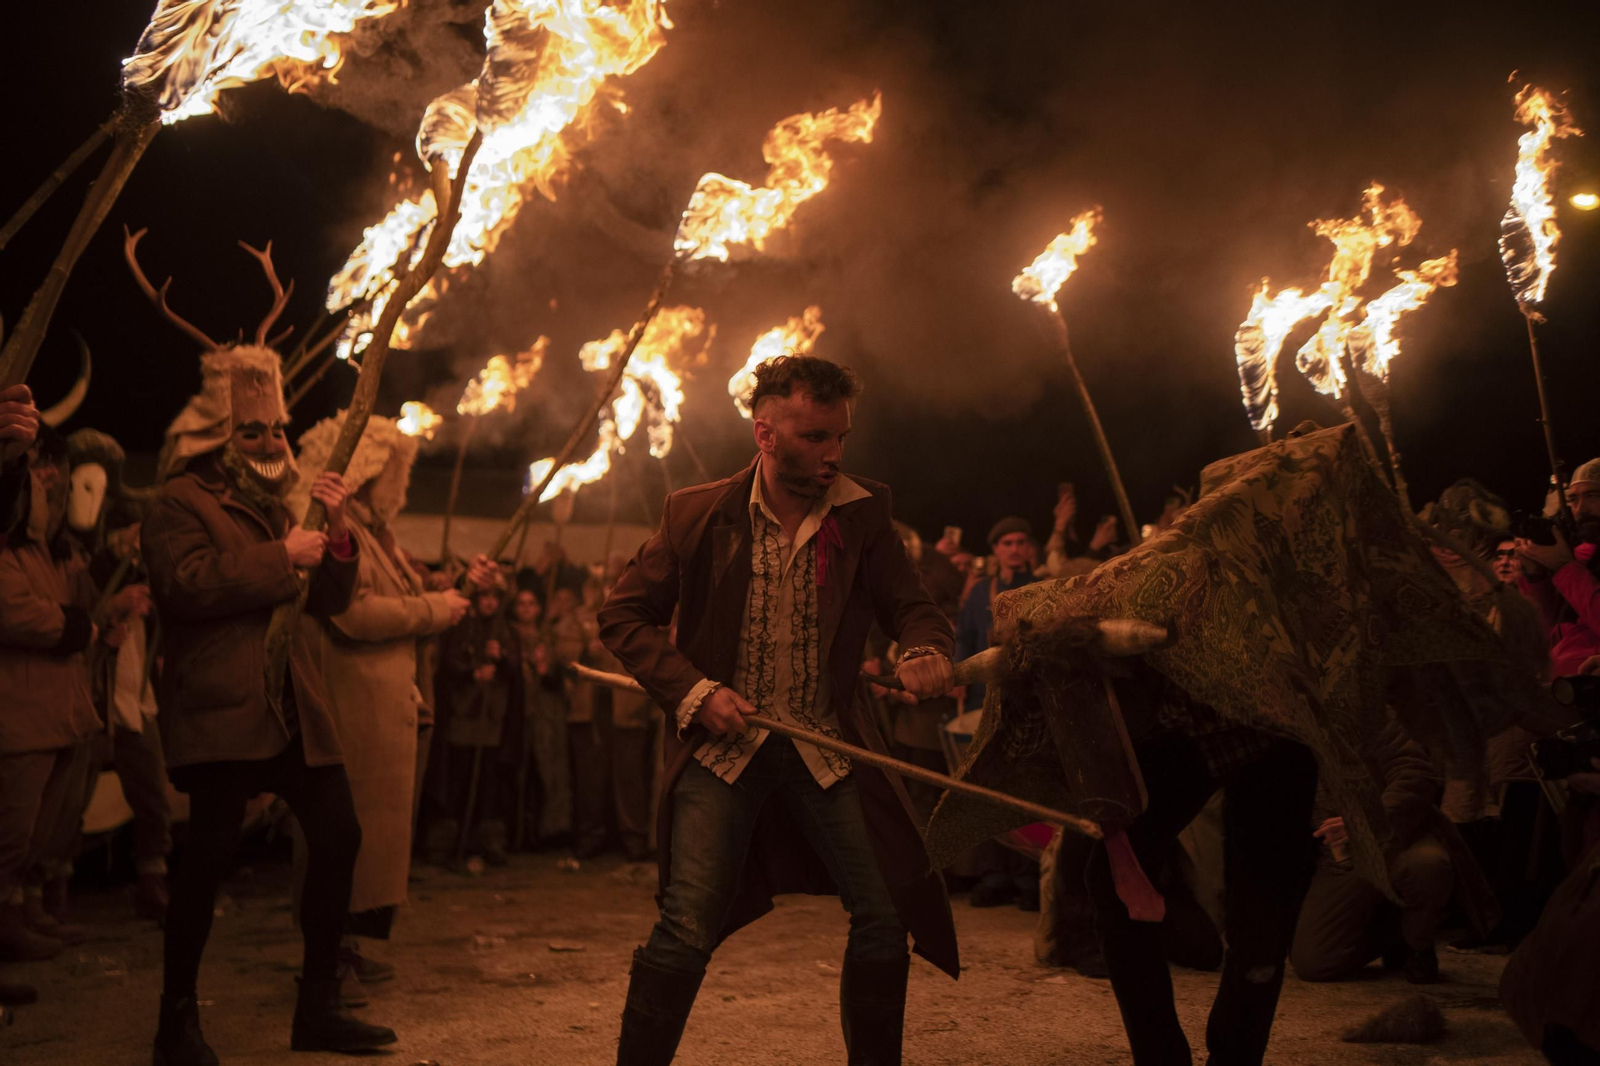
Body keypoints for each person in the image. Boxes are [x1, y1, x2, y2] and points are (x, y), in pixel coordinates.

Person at [599, 355, 957, 1065]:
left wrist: (923, 648)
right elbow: (626, 618)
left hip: (827, 744)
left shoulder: (864, 514)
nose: (833, 454)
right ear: (765, 433)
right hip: (724, 754)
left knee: (885, 919)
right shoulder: (696, 512)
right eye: (815, 437)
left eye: (841, 437)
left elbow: (913, 608)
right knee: (685, 923)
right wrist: (695, 691)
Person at [141, 345, 395, 1062]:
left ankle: (316, 1007)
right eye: (251, 432)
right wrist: (284, 556)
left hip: (291, 706)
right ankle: (176, 1022)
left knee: (338, 834)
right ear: (216, 438)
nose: (271, 443)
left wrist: (337, 536)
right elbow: (186, 586)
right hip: (224, 707)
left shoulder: (287, 507)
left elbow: (330, 603)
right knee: (207, 860)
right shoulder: (176, 502)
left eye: (277, 430)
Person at [289, 413, 482, 989]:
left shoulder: (375, 534)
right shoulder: (332, 533)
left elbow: (416, 598)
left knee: (368, 843)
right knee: (341, 837)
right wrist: (434, 610)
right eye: (379, 472)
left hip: (384, 707)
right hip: (350, 708)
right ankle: (326, 958)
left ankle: (343, 946)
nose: (384, 484)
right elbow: (354, 613)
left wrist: (463, 586)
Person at [0, 428, 136, 965]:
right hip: (21, 716)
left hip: (53, 713)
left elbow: (81, 596)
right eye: (38, 468)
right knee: (10, 832)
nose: (52, 479)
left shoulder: (50, 552)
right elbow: (15, 611)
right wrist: (81, 627)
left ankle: (23, 913)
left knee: (36, 832)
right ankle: (8, 925)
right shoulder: (10, 551)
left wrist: (111, 576)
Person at [65, 427, 170, 923]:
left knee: (151, 790)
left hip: (131, 691)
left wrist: (139, 602)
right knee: (68, 800)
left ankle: (153, 880)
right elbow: (72, 613)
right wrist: (110, 610)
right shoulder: (64, 551)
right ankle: (48, 896)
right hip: (89, 695)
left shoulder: (132, 548)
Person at [1289, 716, 1453, 983]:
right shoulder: (1286, 727)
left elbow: (1415, 773)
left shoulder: (1370, 715)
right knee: (1314, 964)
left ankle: (1417, 943)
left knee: (1427, 866)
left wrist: (1366, 822)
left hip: (1395, 840)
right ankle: (1393, 932)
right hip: (1340, 857)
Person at [558, 577, 656, 861]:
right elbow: (560, 653)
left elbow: (651, 652)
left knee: (630, 779)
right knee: (590, 780)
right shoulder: (577, 618)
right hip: (589, 711)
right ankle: (591, 836)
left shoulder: (642, 614)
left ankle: (632, 837)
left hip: (628, 709)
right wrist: (582, 650)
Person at [439, 584, 520, 866]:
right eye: (485, 596)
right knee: (460, 778)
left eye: (494, 597)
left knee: (488, 781)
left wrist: (502, 657)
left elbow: (515, 669)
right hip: (465, 715)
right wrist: (473, 673)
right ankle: (453, 842)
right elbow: (448, 663)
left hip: (492, 719)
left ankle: (486, 841)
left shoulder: (504, 630)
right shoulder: (462, 627)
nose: (489, 602)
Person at [507, 589, 571, 847]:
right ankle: (519, 833)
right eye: (521, 604)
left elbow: (561, 676)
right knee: (519, 772)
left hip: (545, 711)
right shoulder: (509, 634)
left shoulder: (548, 636)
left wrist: (546, 669)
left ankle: (549, 831)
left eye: (531, 603)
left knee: (549, 770)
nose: (526, 609)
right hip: (516, 712)